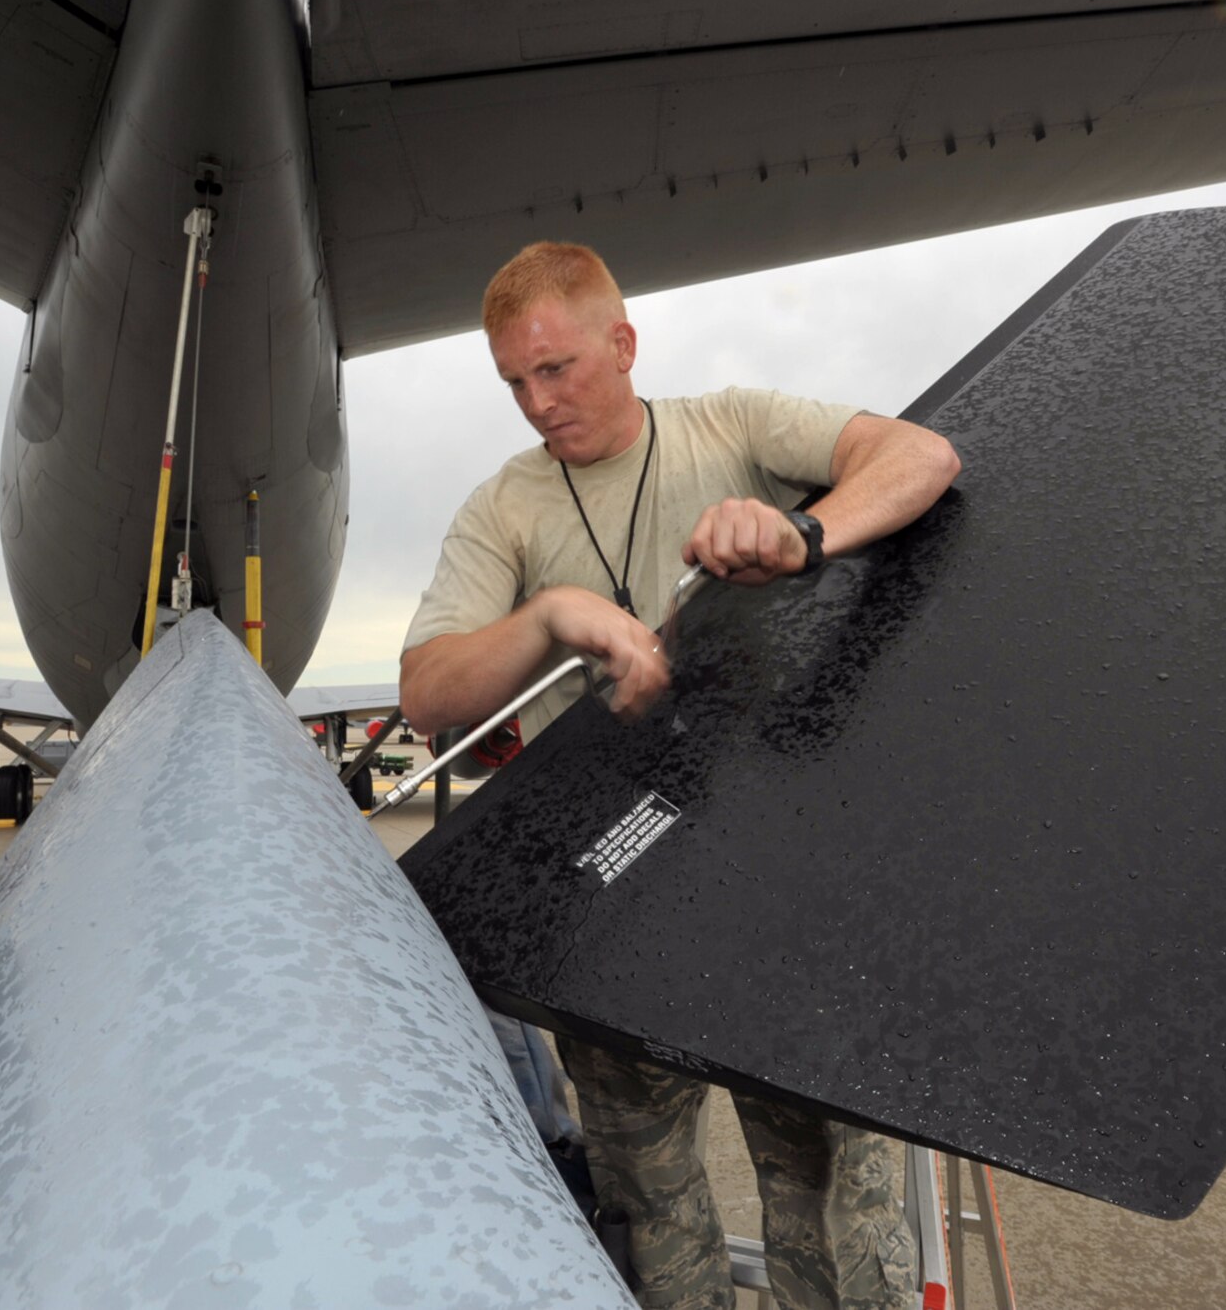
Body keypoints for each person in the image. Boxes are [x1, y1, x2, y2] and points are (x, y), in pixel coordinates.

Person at [399, 241, 961, 1310]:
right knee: (651, 1208)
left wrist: (804, 531)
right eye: (513, 382)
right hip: (608, 904)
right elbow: (426, 690)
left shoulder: (732, 425)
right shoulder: (503, 509)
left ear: (621, 342)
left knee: (832, 1200)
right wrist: (548, 616)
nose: (534, 403)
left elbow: (922, 456)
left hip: (775, 879)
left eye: (555, 368)